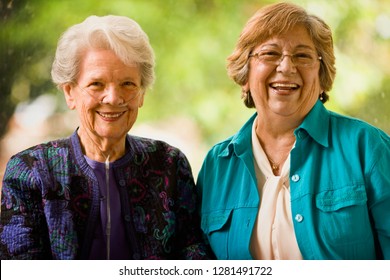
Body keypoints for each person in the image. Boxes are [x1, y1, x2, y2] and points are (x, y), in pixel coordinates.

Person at [0, 15, 211, 260]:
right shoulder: (31, 171)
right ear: (70, 92)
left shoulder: (169, 164)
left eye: (128, 84)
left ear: (141, 93)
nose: (113, 98)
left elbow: (192, 254)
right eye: (97, 84)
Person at [196, 2, 390, 260]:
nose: (286, 67)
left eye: (302, 56)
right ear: (246, 72)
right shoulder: (217, 165)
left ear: (321, 76)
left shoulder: (367, 147)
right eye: (270, 54)